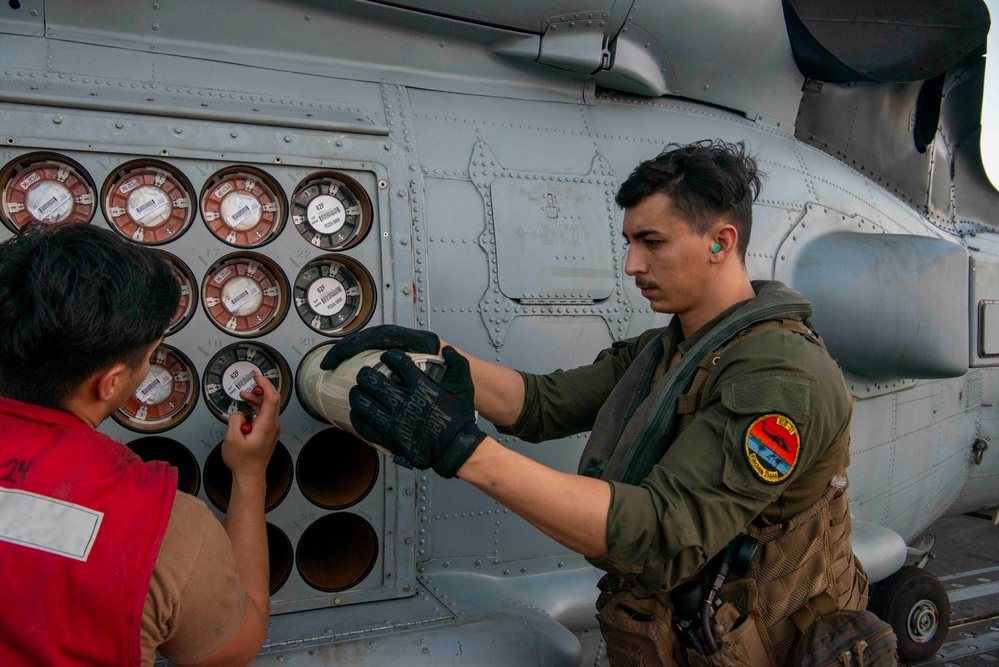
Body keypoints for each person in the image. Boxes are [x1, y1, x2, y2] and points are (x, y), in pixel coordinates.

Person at [324, 140, 868, 666]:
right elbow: (543, 403)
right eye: (631, 242)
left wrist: (461, 449)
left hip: (762, 647)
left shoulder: (779, 376)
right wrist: (439, 357)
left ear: (720, 243)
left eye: (652, 242)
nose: (632, 265)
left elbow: (657, 534)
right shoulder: (674, 347)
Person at [0, 223, 280, 666]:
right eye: (151, 355)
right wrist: (250, 474)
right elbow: (237, 647)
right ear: (110, 383)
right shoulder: (164, 528)